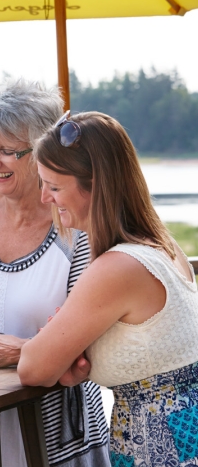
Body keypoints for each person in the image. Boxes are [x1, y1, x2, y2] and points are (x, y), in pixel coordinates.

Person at [0, 81, 110, 467]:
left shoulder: (76, 222)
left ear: (43, 151)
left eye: (8, 151)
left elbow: (88, 342)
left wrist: (17, 351)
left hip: (50, 426)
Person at [19, 111, 198, 467]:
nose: (44, 198)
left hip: (158, 445)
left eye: (54, 186)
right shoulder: (162, 245)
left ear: (96, 185)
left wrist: (61, 347)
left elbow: (32, 368)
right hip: (180, 432)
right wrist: (75, 353)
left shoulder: (118, 267)